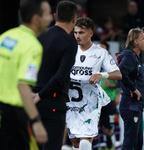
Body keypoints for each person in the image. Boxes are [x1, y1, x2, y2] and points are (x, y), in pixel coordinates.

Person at [0, 0, 52, 149]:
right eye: (48, 14)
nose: (51, 18)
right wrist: (36, 121)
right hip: (13, 116)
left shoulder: (5, 37)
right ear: (37, 19)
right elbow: (23, 85)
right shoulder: (32, 46)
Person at [66, 17, 122, 150]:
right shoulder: (69, 50)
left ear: (91, 33)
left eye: (81, 33)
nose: (77, 36)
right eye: (76, 32)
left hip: (91, 101)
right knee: (76, 142)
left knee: (85, 140)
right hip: (71, 101)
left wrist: (101, 74)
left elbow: (118, 74)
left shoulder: (100, 53)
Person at [32, 1, 78, 150]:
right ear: (74, 19)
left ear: (55, 16)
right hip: (52, 101)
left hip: (32, 100)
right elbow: (60, 76)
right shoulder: (70, 42)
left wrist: (34, 94)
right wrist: (41, 94)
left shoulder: (40, 36)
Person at [117, 27, 144, 150]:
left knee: (137, 143)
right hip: (131, 105)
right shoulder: (130, 56)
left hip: (135, 105)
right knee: (130, 143)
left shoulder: (134, 56)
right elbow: (121, 71)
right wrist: (133, 88)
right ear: (135, 41)